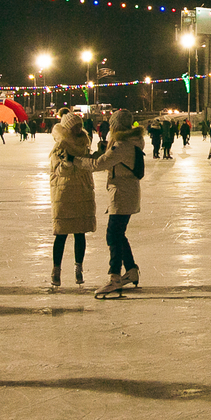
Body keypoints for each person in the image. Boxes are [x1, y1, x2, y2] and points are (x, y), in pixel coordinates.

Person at [80, 110, 144, 297]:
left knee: (113, 235)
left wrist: (75, 161)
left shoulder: (123, 145)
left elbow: (98, 164)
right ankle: (131, 269)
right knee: (118, 234)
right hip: (126, 192)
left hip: (122, 193)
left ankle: (114, 277)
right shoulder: (130, 142)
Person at [48, 110, 98, 287]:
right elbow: (57, 170)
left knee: (80, 232)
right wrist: (68, 163)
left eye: (80, 126)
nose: (78, 129)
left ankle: (79, 267)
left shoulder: (84, 143)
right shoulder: (60, 145)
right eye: (75, 126)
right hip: (65, 192)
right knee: (61, 233)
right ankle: (56, 270)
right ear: (68, 128)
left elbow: (88, 164)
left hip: (83, 190)